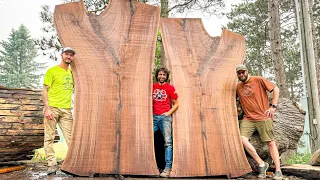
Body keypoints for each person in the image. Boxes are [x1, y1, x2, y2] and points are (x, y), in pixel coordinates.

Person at [236, 64, 283, 180]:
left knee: (271, 143)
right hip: (248, 119)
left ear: (247, 71)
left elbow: (275, 89)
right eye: (239, 73)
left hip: (263, 117)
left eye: (243, 72)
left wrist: (273, 106)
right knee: (242, 140)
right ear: (237, 74)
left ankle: (278, 170)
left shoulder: (258, 79)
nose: (241, 74)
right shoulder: (238, 86)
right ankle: (262, 164)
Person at [42, 47, 75, 175]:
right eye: (67, 54)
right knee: (49, 137)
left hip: (66, 110)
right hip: (53, 108)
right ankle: (51, 164)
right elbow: (44, 90)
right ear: (62, 55)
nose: (69, 56)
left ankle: (72, 164)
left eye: (71, 55)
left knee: (71, 138)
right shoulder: (52, 71)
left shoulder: (72, 73)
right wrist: (47, 109)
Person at [152, 68, 179, 178]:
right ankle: (153, 166)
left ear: (166, 76)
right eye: (160, 74)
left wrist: (168, 113)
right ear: (157, 76)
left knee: (167, 142)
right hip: (153, 117)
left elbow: (176, 103)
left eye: (164, 75)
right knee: (148, 140)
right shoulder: (152, 87)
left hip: (164, 118)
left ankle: (167, 168)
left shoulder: (170, 88)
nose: (162, 76)